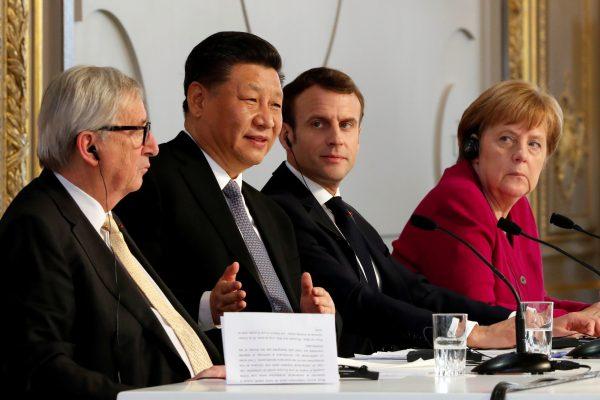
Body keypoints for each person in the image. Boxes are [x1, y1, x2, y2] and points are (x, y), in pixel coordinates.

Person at [261, 67, 599, 357]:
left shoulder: (346, 215)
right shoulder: (279, 211)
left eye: (347, 125)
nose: (336, 139)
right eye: (319, 124)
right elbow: (357, 302)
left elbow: (417, 291)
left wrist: (540, 322)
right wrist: (473, 334)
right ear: (287, 135)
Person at [0, 66, 224, 399]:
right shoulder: (36, 226)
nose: (153, 146)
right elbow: (41, 368)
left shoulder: (105, 219)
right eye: (139, 131)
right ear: (90, 148)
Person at [115, 32, 335, 348]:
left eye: (275, 105)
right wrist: (208, 307)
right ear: (198, 100)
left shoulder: (271, 213)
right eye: (250, 100)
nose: (266, 120)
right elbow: (126, 299)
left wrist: (315, 315)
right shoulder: (149, 180)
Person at [392, 80, 600, 318]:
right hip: (415, 350)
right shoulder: (460, 199)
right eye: (506, 139)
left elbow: (534, 303)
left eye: (534, 144)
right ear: (473, 148)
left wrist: (589, 312)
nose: (521, 155)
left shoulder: (518, 207)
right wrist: (573, 321)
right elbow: (483, 317)